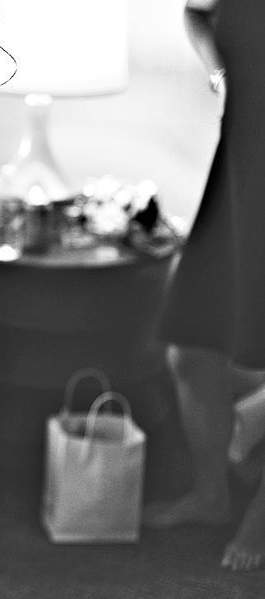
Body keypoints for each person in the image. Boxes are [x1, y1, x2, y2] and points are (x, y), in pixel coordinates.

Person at [144, 0, 265, 573]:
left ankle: (259, 519)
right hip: (243, 164)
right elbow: (195, 11)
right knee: (190, 346)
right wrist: (219, 71)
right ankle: (212, 493)